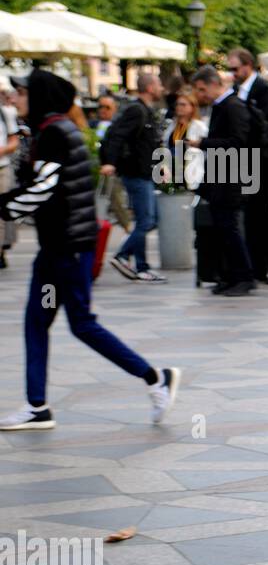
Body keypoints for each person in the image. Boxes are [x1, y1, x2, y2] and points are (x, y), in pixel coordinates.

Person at [0, 69, 181, 431]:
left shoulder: (54, 132)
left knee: (81, 323)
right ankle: (37, 406)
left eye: (20, 92)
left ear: (38, 97)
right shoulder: (49, 130)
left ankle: (155, 377)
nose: (13, 98)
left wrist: (3, 206)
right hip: (57, 250)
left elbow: (43, 188)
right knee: (38, 320)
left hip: (68, 251)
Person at [190, 65, 256, 296]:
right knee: (221, 229)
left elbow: (238, 142)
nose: (200, 95)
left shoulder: (233, 106)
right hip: (220, 177)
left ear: (215, 84)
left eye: (201, 89)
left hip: (232, 178)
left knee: (230, 229)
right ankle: (228, 276)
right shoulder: (222, 106)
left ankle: (243, 277)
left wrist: (203, 144)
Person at [228, 48, 268, 283]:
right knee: (250, 214)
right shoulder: (237, 91)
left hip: (261, 158)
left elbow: (264, 127)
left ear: (247, 66)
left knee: (262, 212)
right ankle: (257, 266)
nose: (233, 74)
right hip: (244, 158)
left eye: (235, 69)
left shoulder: (263, 91)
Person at [100, 73, 166, 283]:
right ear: (149, 87)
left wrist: (160, 167)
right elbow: (117, 136)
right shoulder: (136, 110)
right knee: (147, 220)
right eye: (158, 84)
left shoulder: (145, 111)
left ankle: (141, 267)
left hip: (144, 173)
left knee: (146, 220)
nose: (161, 88)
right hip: (136, 174)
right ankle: (123, 255)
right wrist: (110, 161)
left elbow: (149, 144)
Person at [159, 86, 207, 191]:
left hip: (192, 173)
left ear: (192, 107)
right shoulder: (172, 126)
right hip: (173, 173)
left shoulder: (199, 126)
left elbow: (206, 151)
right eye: (177, 104)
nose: (179, 107)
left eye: (183, 104)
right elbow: (166, 147)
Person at [0, 81, 20, 269]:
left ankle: (1, 251)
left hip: (2, 167)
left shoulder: (5, 114)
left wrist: (2, 150)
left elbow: (14, 141)